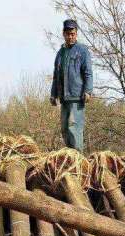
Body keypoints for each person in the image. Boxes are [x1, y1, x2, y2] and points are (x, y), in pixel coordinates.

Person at [50, 19, 93, 152]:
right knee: (64, 128)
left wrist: (88, 90)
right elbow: (56, 75)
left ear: (76, 34)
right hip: (64, 98)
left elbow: (88, 73)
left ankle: (78, 159)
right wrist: (53, 94)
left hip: (77, 96)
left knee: (74, 128)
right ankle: (70, 156)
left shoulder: (82, 50)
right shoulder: (60, 53)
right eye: (68, 34)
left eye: (73, 34)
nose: (70, 36)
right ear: (63, 34)